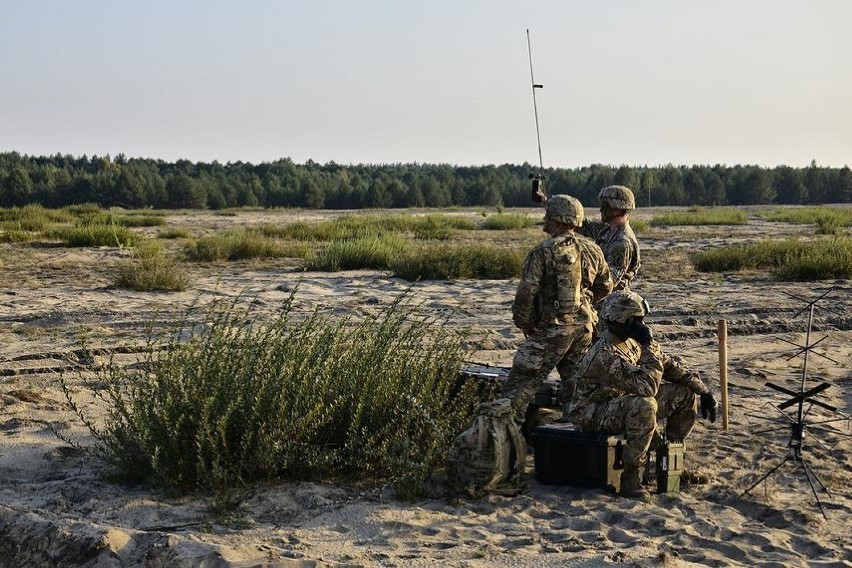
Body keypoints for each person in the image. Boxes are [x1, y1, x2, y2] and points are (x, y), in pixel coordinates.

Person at [567, 290, 718, 499]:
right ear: (623, 320)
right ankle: (631, 477)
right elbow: (647, 387)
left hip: (620, 400)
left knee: (683, 394)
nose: (642, 325)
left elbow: (668, 365)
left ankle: (671, 466)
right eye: (636, 320)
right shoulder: (604, 353)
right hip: (591, 412)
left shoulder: (631, 341)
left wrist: (702, 390)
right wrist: (647, 345)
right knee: (645, 405)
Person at [501, 194, 613, 429]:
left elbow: (526, 293)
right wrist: (585, 299)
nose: (545, 219)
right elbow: (606, 286)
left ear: (558, 220)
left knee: (519, 386)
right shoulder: (593, 249)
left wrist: (525, 323)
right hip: (583, 329)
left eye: (549, 215)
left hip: (552, 329)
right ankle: (573, 438)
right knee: (576, 388)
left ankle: (503, 441)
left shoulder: (543, 251)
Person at [577, 185, 641, 291]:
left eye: (605, 205)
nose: (601, 209)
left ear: (616, 209)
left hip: (610, 302)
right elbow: (580, 224)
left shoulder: (622, 242)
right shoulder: (607, 230)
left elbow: (608, 282)